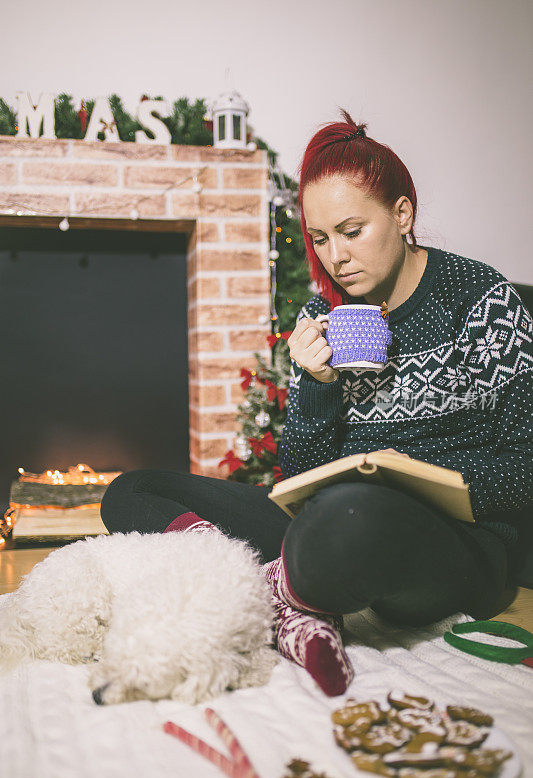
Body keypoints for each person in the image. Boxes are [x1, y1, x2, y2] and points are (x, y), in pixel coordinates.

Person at [100, 109, 533, 697]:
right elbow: (299, 475)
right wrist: (319, 385)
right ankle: (285, 591)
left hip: (453, 541)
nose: (335, 258)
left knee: (354, 516)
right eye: (321, 239)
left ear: (402, 214)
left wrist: (416, 483)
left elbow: (523, 467)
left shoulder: (481, 301)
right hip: (332, 523)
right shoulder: (321, 318)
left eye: (352, 232)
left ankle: (285, 582)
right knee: (131, 492)